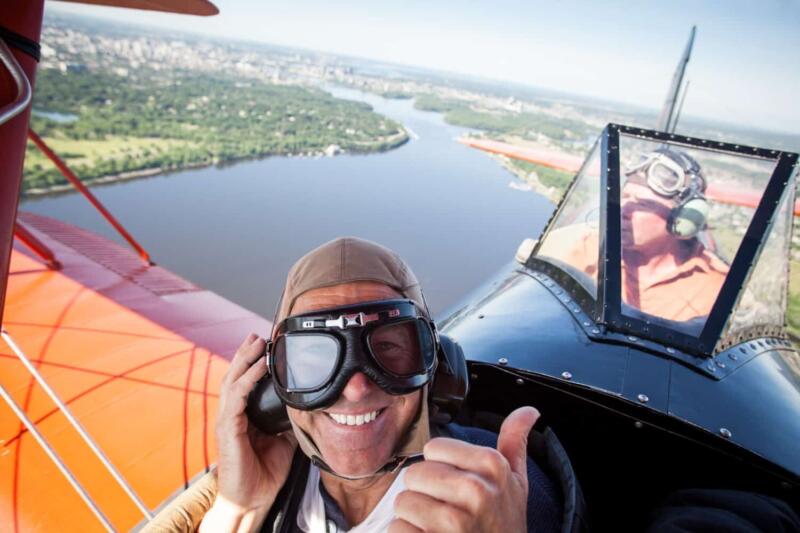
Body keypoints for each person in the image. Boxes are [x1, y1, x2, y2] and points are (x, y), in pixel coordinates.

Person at [200, 237, 563, 532]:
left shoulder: (500, 490)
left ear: (437, 367)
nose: (356, 388)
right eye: (315, 355)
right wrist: (241, 510)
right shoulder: (260, 478)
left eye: (387, 348)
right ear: (274, 388)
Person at [538, 147, 728, 324]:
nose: (623, 210)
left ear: (681, 220)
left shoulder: (715, 287)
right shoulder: (591, 248)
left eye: (642, 205)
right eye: (625, 197)